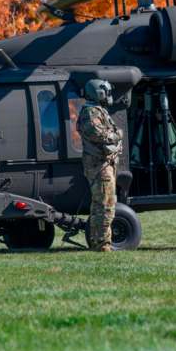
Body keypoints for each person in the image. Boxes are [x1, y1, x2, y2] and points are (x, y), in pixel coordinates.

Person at [77, 79, 123, 252]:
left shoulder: (98, 111)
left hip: (104, 164)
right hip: (100, 166)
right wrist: (117, 134)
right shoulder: (90, 112)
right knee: (105, 205)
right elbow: (99, 134)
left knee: (102, 204)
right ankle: (102, 244)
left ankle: (99, 241)